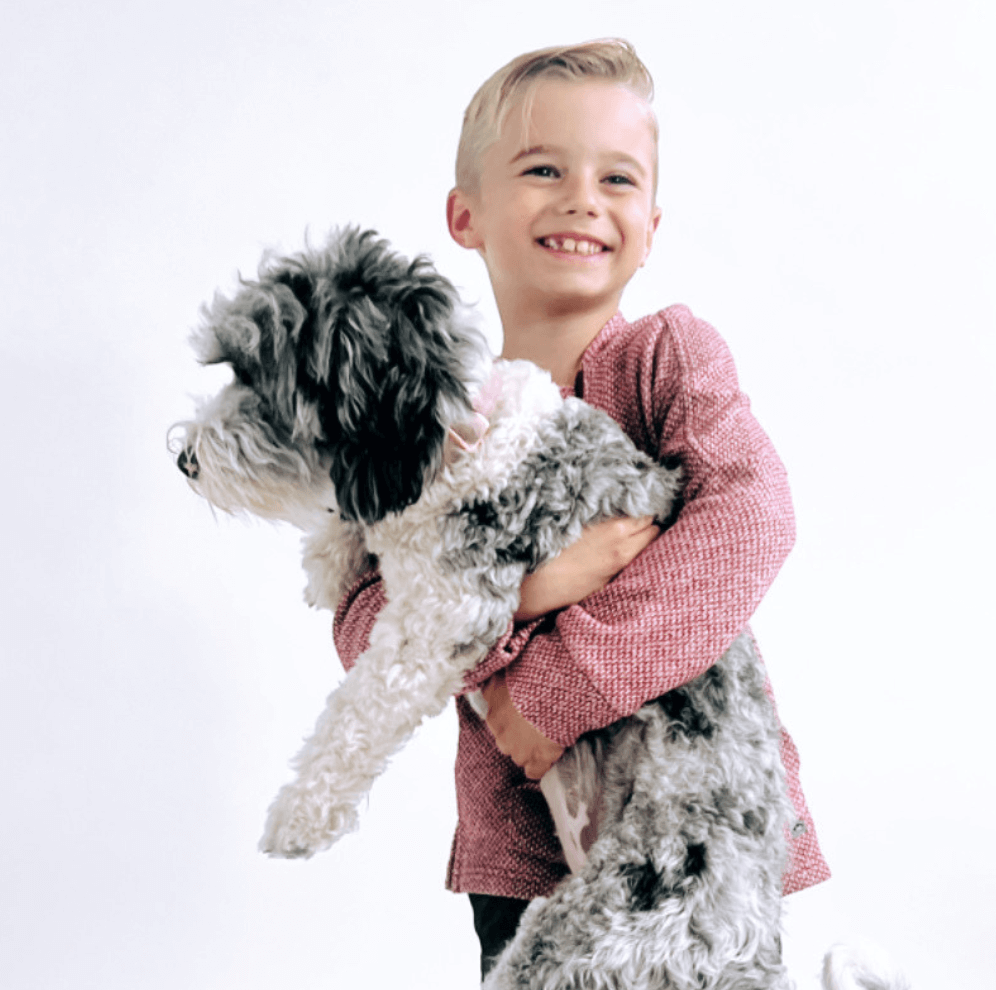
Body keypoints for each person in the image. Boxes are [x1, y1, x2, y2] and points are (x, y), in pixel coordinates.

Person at [332, 38, 830, 978]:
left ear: (650, 225)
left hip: (692, 844)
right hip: (523, 861)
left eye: (616, 178)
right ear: (464, 214)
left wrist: (567, 683)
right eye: (543, 169)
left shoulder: (666, 362)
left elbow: (753, 511)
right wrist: (523, 592)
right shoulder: (426, 422)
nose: (581, 199)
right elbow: (364, 627)